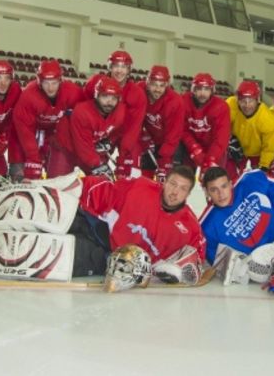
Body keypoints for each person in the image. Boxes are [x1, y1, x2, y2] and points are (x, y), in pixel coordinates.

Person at [71, 165, 206, 285]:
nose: (175, 192)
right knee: (64, 217)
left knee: (68, 252)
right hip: (99, 230)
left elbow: (196, 259)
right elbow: (108, 190)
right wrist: (79, 186)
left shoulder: (190, 228)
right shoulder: (141, 187)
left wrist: (176, 269)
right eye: (173, 184)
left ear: (188, 194)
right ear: (164, 182)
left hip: (113, 260)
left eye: (183, 189)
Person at [200, 167, 274, 271]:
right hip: (258, 271)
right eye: (214, 190)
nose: (221, 194)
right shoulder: (207, 227)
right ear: (206, 192)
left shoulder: (251, 182)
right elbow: (222, 265)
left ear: (230, 184)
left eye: (223, 186)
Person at [11, 60, 85, 180]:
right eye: (46, 83)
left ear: (61, 80)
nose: (50, 88)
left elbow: (84, 119)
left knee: (59, 178)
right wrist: (33, 159)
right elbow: (25, 131)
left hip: (56, 136)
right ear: (39, 81)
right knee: (24, 176)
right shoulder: (28, 96)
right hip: (30, 133)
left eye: (54, 83)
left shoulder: (74, 93)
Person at [84, 50, 146, 178]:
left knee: (129, 175)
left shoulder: (137, 93)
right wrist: (94, 136)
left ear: (129, 70)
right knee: (97, 173)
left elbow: (135, 126)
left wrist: (124, 152)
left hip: (126, 135)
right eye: (116, 66)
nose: (119, 70)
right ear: (110, 67)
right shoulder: (95, 83)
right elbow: (85, 110)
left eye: (123, 67)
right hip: (102, 134)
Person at [63, 75, 126, 176]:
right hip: (66, 148)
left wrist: (109, 141)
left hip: (90, 149)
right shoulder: (82, 112)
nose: (109, 102)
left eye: (114, 98)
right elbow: (82, 144)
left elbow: (118, 132)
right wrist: (97, 163)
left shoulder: (120, 112)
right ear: (97, 95)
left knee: (101, 183)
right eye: (105, 96)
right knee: (59, 181)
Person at [224, 80, 274, 179]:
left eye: (250, 100)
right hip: (237, 150)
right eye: (243, 101)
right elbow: (219, 125)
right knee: (230, 178)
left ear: (257, 100)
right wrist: (228, 139)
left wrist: (263, 166)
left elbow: (270, 147)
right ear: (237, 99)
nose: (247, 105)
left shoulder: (267, 118)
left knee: (260, 181)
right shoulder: (230, 105)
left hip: (258, 154)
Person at [137, 65, 185, 182]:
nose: (157, 89)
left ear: (167, 85)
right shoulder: (138, 91)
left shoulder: (175, 101)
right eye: (154, 84)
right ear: (147, 82)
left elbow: (174, 134)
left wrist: (165, 160)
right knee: (145, 177)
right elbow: (133, 119)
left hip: (171, 143)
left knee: (169, 180)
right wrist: (141, 135)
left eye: (161, 85)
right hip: (150, 140)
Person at [180, 72, 231, 177]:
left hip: (215, 150)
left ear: (212, 90)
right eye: (199, 89)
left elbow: (221, 137)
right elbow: (182, 129)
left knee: (213, 180)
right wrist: (194, 149)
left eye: (206, 89)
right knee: (187, 179)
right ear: (193, 89)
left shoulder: (221, 107)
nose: (202, 93)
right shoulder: (183, 101)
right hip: (190, 149)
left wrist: (210, 159)